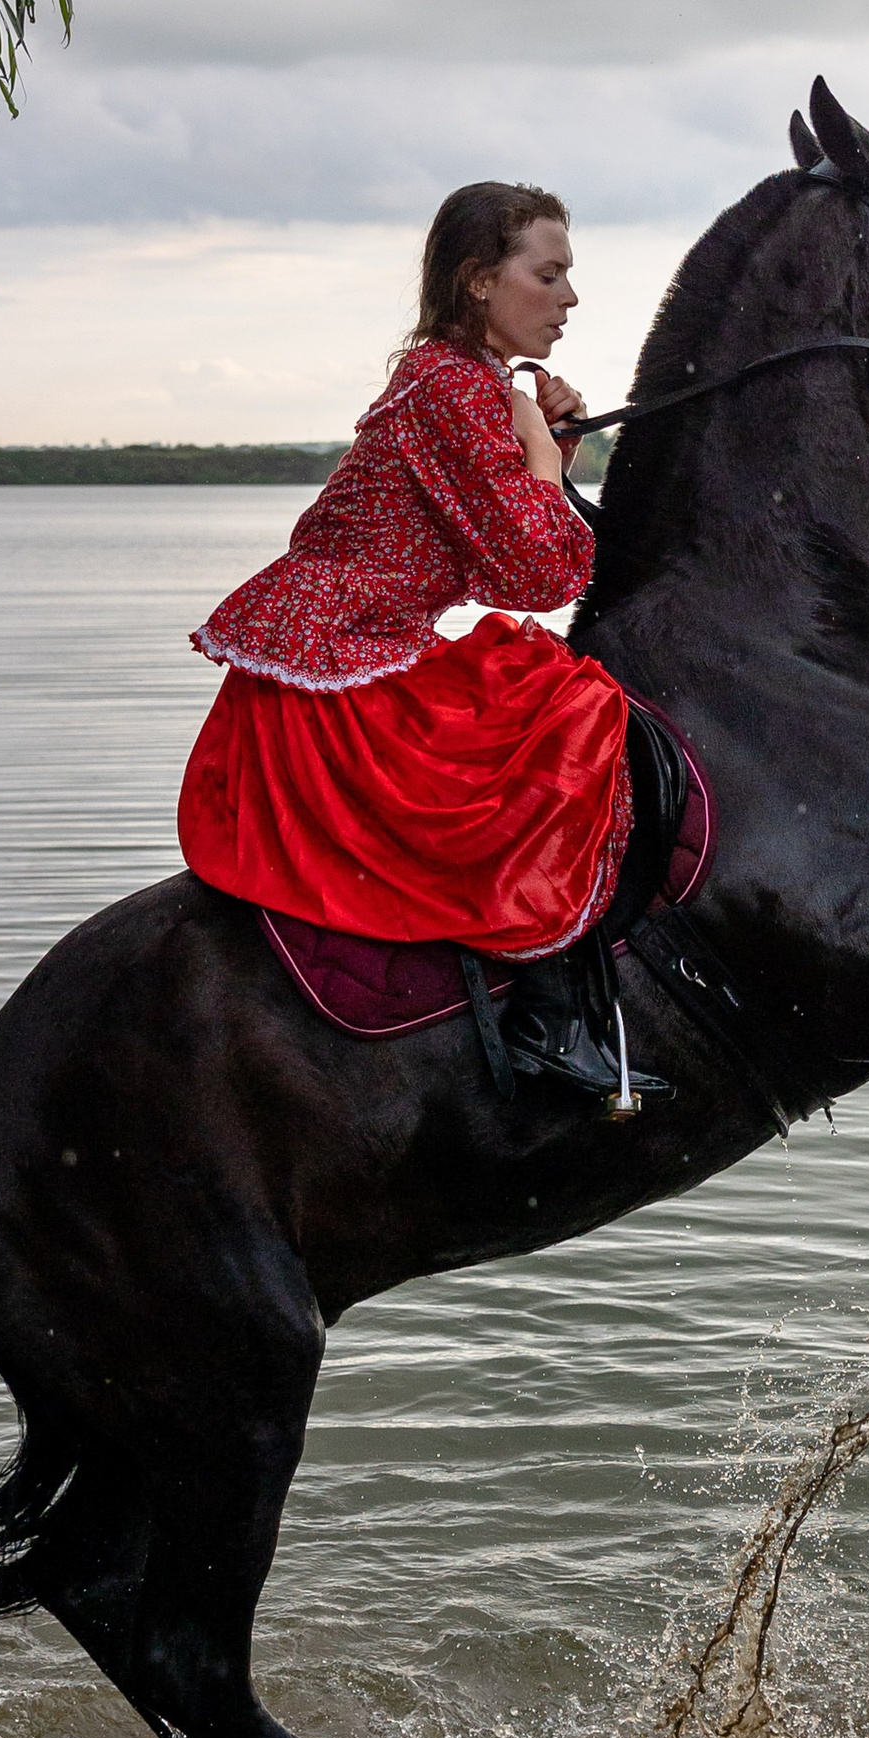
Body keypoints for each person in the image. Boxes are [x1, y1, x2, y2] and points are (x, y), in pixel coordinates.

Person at [178, 182, 669, 1102]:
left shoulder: (458, 379)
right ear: (479, 280)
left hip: (350, 653)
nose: (569, 298)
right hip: (334, 679)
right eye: (549, 275)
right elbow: (540, 578)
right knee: (569, 712)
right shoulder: (453, 387)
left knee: (535, 682)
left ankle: (554, 1001)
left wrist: (547, 448)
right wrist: (541, 453)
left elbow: (495, 557)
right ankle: (549, 1019)